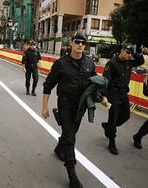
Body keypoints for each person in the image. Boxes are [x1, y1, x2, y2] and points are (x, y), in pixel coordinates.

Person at [42, 31, 108, 188]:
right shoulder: (61, 64)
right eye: (77, 41)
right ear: (71, 43)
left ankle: (60, 148)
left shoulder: (89, 63)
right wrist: (44, 107)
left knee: (69, 134)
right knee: (71, 139)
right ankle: (72, 176)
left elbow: (94, 82)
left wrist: (101, 97)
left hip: (80, 107)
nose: (80, 45)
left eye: (83, 43)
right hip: (65, 105)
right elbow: (48, 85)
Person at [101, 43, 144, 155]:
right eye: (128, 52)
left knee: (126, 115)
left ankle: (108, 126)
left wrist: (136, 52)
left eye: (131, 53)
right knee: (113, 117)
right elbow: (105, 80)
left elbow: (141, 61)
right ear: (122, 50)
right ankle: (112, 142)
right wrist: (104, 96)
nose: (129, 55)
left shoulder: (129, 61)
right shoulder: (112, 63)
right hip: (113, 94)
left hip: (123, 93)